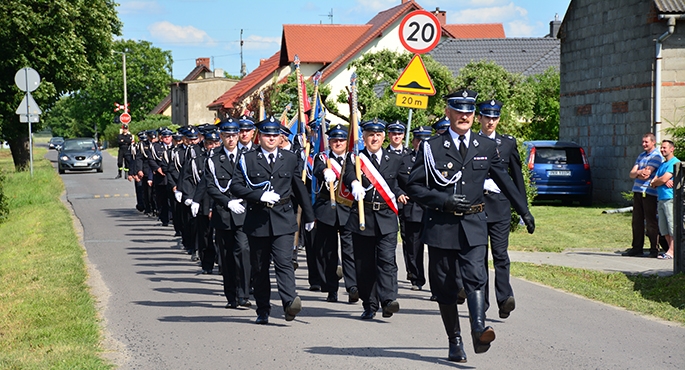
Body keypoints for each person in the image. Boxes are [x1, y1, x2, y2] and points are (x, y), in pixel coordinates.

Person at [406, 89, 534, 362]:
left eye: (469, 112)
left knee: (477, 276)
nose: (464, 116)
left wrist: (524, 210)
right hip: (441, 225)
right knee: (445, 286)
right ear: (448, 113)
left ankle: (478, 329)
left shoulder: (485, 147)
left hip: (474, 224)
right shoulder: (431, 147)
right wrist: (444, 200)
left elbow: (505, 180)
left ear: (474, 116)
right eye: (459, 111)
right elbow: (415, 186)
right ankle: (455, 341)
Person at [230, 117, 315, 325]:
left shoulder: (290, 158)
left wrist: (310, 215)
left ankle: (289, 302)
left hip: (283, 217)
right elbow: (236, 186)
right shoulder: (248, 158)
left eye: (275, 135)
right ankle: (263, 309)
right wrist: (258, 196)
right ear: (260, 137)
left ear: (280, 137)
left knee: (284, 262)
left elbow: (298, 187)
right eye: (267, 135)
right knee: (259, 268)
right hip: (258, 219)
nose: (271, 138)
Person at [343, 118, 405, 320]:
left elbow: (402, 182)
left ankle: (388, 300)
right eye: (371, 135)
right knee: (365, 264)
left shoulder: (394, 159)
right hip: (363, 216)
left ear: (383, 137)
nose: (375, 138)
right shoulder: (356, 158)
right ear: (364, 137)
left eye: (378, 135)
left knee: (387, 260)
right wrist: (353, 183)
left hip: (386, 217)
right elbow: (348, 174)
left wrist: (402, 193)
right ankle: (370, 304)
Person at [477, 99, 527, 319]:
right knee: (479, 257)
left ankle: (504, 298)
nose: (491, 122)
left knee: (500, 255)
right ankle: (482, 303)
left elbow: (517, 178)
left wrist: (523, 209)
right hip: (477, 206)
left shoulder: (507, 143)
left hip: (500, 207)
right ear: (479, 118)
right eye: (487, 117)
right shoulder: (472, 141)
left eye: (495, 118)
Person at [206, 119, 251, 307]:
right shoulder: (214, 158)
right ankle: (231, 296)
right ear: (221, 137)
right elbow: (210, 186)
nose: (231, 139)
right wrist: (227, 202)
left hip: (244, 213)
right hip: (224, 214)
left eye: (234, 135)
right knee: (226, 258)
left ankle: (245, 294)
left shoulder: (248, 156)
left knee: (243, 251)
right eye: (227, 136)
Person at [312, 124, 357, 303]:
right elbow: (316, 169)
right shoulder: (322, 157)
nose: (338, 143)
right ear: (329, 141)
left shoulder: (352, 158)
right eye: (334, 140)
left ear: (346, 142)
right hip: (327, 210)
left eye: (341, 140)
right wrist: (324, 171)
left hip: (347, 209)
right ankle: (332, 288)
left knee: (350, 250)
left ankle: (352, 286)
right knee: (329, 252)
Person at [397, 125, 432, 291]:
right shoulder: (404, 159)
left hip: (432, 208)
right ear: (413, 141)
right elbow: (394, 180)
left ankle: (437, 284)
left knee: (436, 249)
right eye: (418, 139)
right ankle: (416, 277)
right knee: (414, 246)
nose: (421, 143)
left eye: (425, 139)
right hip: (413, 207)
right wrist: (399, 192)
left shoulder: (437, 158)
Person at [623, 133, 663, 258]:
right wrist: (639, 172)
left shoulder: (656, 156)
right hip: (637, 190)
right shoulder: (641, 156)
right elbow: (631, 173)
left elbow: (647, 174)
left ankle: (653, 249)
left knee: (650, 221)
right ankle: (637, 247)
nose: (644, 144)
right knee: (637, 221)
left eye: (646, 142)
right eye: (643, 142)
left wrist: (639, 173)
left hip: (649, 192)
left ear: (653, 142)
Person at [650, 139, 679, 260]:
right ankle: (670, 250)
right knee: (664, 227)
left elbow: (661, 180)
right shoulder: (662, 164)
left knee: (672, 225)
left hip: (670, 198)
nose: (662, 150)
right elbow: (653, 182)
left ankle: (673, 251)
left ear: (671, 149)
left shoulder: (674, 163)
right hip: (661, 198)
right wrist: (660, 181)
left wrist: (661, 181)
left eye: (664, 148)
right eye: (661, 148)